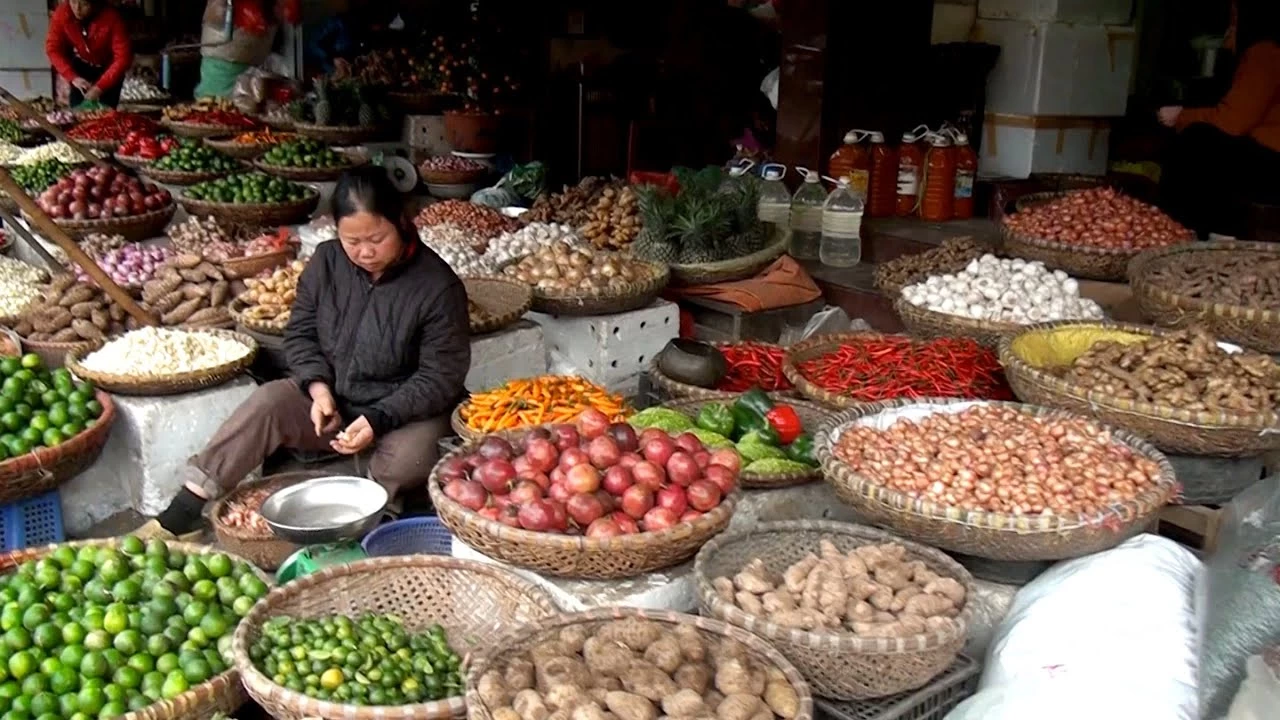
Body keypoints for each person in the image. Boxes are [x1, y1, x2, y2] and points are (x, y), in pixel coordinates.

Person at [137, 167, 471, 540]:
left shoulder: (437, 286)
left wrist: (379, 418)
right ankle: (183, 512)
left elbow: (440, 376)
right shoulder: (327, 262)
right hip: (337, 404)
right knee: (269, 401)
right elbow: (300, 333)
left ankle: (366, 515)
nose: (364, 252)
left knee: (415, 452)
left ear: (401, 222)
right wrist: (318, 390)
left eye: (377, 238)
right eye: (352, 241)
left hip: (405, 414)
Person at [1157, 0, 1280, 238]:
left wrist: (1182, 116)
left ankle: (1175, 233)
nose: (1230, 30)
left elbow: (1232, 122)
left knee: (1198, 141)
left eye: (1234, 20)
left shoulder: (1266, 53)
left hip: (1273, 164)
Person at [45, 0, 132, 108]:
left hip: (109, 69)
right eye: (73, 2)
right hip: (82, 66)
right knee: (77, 113)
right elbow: (53, 49)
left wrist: (100, 87)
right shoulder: (63, 13)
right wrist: (72, 77)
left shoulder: (112, 18)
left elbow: (123, 57)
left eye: (84, 4)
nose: (77, 9)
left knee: (106, 115)